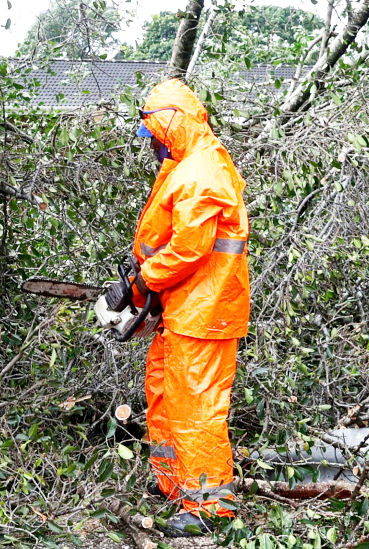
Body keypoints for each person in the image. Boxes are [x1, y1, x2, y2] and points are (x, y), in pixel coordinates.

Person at [125, 79, 250, 536]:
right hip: (184, 308)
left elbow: (189, 249)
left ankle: (208, 507)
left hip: (205, 310)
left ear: (171, 123)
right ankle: (176, 486)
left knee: (197, 410)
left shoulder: (202, 171)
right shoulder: (186, 165)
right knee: (164, 396)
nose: (152, 146)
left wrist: (143, 283)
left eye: (155, 135)